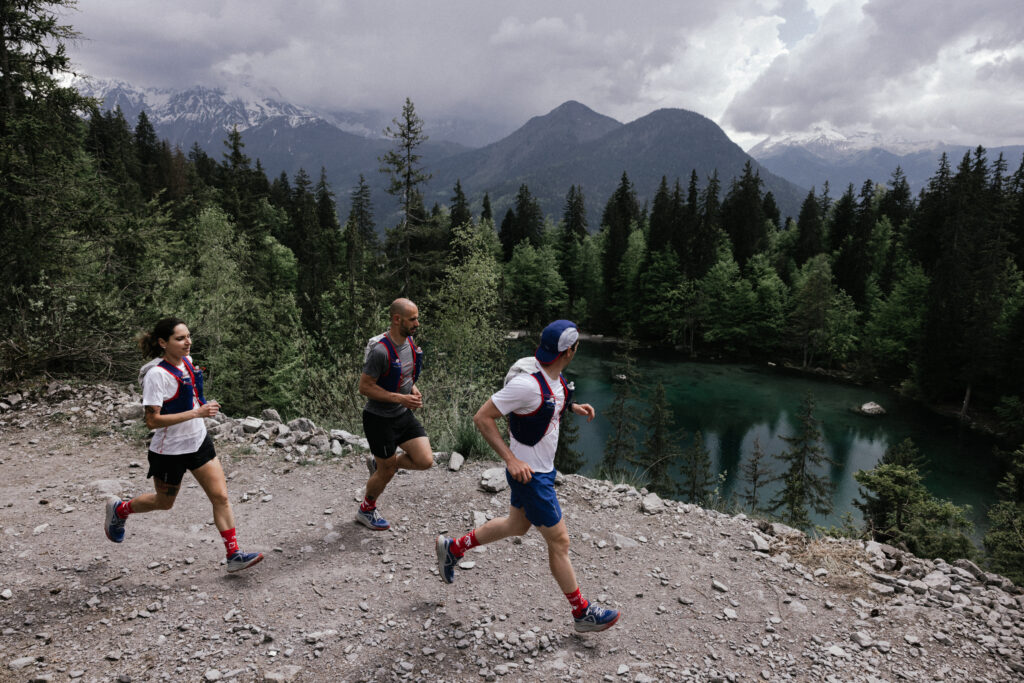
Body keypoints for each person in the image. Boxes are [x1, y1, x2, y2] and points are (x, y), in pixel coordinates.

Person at [435, 320, 620, 633]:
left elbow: (551, 399)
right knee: (560, 541)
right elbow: (482, 417)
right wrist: (510, 460)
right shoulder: (527, 384)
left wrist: (573, 407)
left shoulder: (552, 377)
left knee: (516, 525)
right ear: (570, 351)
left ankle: (453, 548)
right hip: (532, 477)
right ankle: (582, 612)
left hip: (538, 472)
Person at [102, 317, 263, 573]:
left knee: (221, 497)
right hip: (170, 451)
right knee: (164, 502)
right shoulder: (156, 375)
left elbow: (190, 398)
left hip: (198, 442)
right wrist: (197, 413)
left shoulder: (187, 361)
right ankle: (120, 509)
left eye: (188, 336)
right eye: (180, 338)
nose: (187, 342)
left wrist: (200, 410)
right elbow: (152, 421)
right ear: (163, 343)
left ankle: (234, 555)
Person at [355, 298, 434, 530]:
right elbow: (365, 388)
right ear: (397, 319)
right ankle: (366, 509)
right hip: (378, 419)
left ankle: (381, 464)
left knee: (425, 460)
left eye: (417, 318)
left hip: (401, 414)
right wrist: (401, 398)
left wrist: (412, 389)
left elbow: (404, 375)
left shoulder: (409, 342)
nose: (417, 323)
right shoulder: (380, 351)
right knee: (387, 471)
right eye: (413, 319)